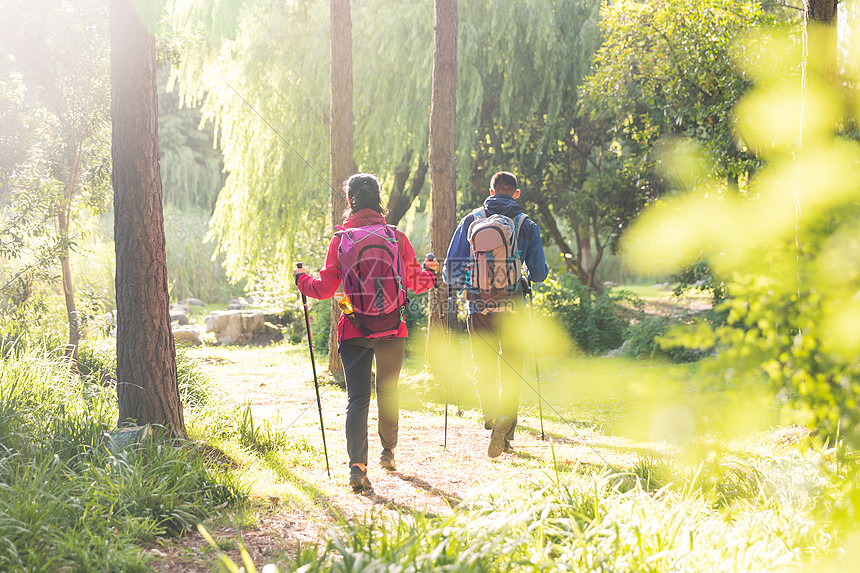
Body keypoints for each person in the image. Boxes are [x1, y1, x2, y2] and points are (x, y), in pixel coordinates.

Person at [293, 173, 438, 492]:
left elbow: (325, 288)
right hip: (392, 327)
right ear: (379, 199)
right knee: (388, 392)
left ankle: (357, 468)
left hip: (353, 329)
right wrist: (431, 273)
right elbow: (416, 282)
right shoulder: (395, 237)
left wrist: (301, 279)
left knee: (357, 398)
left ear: (350, 201)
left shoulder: (341, 240)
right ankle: (388, 453)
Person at [443, 171, 548, 458]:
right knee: (512, 365)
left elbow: (449, 273)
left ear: (490, 192)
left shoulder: (471, 221)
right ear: (516, 193)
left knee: (484, 360)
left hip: (479, 305)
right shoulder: (527, 225)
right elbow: (539, 274)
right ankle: (508, 427)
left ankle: (492, 416)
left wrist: (471, 275)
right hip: (513, 306)